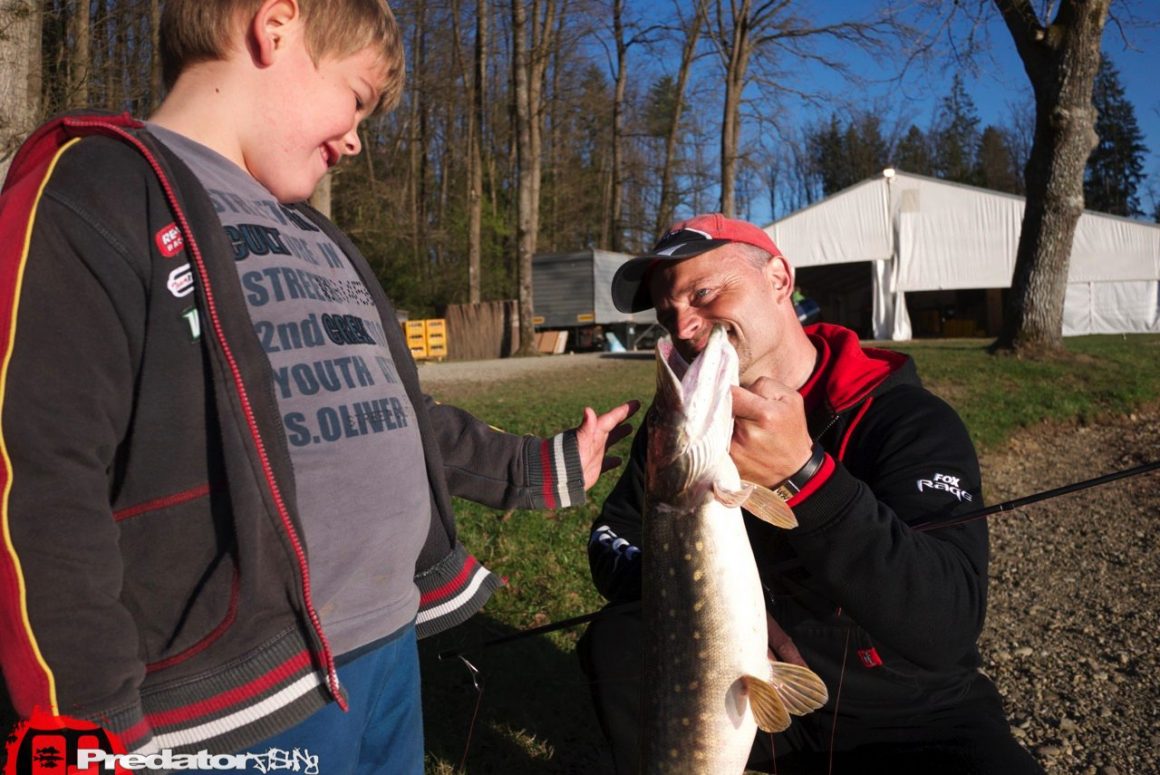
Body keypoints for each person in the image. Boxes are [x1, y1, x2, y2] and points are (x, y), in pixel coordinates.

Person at [0, 0, 636, 771]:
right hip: (231, 703)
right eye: (358, 97)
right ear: (275, 26)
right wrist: (85, 732)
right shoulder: (95, 190)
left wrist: (543, 465)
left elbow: (393, 412)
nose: (357, 138)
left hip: (387, 651)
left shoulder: (316, 235)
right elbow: (38, 481)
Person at [579, 213, 1042, 774]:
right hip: (749, 697)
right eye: (667, 312)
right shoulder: (681, 429)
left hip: (910, 713)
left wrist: (805, 477)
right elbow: (612, 539)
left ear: (778, 278)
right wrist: (721, 616)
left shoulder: (905, 419)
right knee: (618, 640)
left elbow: (946, 622)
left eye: (703, 293)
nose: (684, 326)